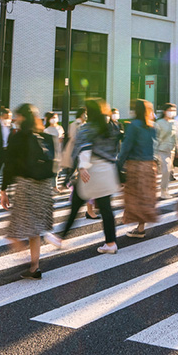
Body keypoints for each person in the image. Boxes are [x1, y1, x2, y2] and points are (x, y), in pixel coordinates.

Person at [0, 104, 62, 280]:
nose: (15, 119)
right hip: (43, 187)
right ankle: (34, 267)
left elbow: (9, 165)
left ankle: (27, 260)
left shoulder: (18, 137)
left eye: (17, 116)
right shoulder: (46, 136)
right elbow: (55, 163)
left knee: (13, 232)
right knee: (34, 230)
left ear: (22, 118)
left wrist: (3, 190)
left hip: (26, 186)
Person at [58, 99, 120, 254]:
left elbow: (84, 148)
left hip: (91, 172)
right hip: (107, 171)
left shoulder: (86, 128)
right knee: (106, 208)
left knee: (75, 207)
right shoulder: (111, 128)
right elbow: (116, 149)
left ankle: (60, 238)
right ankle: (111, 243)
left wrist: (82, 167)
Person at [117, 99, 159, 238]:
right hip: (149, 166)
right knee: (144, 197)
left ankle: (138, 228)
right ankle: (140, 228)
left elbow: (126, 147)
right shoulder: (152, 126)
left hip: (136, 166)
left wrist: (118, 163)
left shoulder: (133, 125)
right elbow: (155, 146)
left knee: (134, 198)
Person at [153, 104, 177, 198]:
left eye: (173, 110)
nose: (172, 112)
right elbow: (156, 138)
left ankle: (165, 190)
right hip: (161, 150)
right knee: (166, 170)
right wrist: (154, 152)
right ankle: (163, 192)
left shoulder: (174, 122)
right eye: (170, 110)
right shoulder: (159, 123)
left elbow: (176, 137)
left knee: (168, 171)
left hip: (171, 150)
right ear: (165, 111)